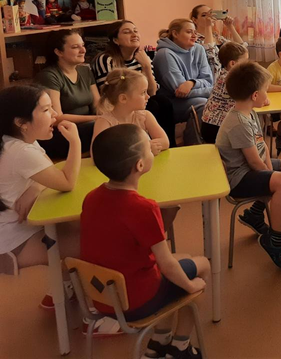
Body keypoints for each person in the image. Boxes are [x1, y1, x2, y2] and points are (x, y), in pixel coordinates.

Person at [82, 124, 209, 358]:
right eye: (148, 148)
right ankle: (180, 347)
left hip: (103, 297)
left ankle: (159, 342)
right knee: (201, 266)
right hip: (136, 300)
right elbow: (166, 265)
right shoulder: (143, 208)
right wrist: (191, 286)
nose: (152, 149)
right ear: (140, 165)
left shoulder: (91, 197)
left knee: (183, 260)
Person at [0, 86, 82, 306]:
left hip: (24, 226)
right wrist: (75, 141)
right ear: (21, 122)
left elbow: (48, 174)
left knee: (79, 225)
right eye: (46, 110)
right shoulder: (21, 151)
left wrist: (35, 187)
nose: (55, 115)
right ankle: (94, 311)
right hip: (13, 241)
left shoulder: (17, 141)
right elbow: (66, 182)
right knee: (95, 242)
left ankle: (61, 289)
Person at [215, 62, 281, 269]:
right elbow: (253, 161)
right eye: (265, 90)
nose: (267, 94)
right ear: (255, 95)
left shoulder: (249, 113)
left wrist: (271, 170)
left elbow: (262, 147)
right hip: (238, 178)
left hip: (250, 168)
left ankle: (255, 213)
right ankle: (276, 240)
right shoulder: (238, 122)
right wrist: (270, 174)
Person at [91, 20, 175, 146]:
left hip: (136, 99)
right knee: (154, 105)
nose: (134, 34)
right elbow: (110, 94)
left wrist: (146, 67)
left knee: (163, 101)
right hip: (117, 104)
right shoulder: (106, 59)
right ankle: (143, 144)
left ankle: (166, 144)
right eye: (127, 32)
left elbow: (152, 92)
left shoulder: (142, 58)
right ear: (115, 40)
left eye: (135, 31)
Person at [36, 30, 99, 159]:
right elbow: (57, 118)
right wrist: (97, 119)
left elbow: (98, 105)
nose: (83, 50)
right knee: (100, 127)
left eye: (83, 45)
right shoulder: (49, 76)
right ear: (58, 52)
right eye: (75, 47)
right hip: (61, 132)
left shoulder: (85, 71)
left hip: (88, 126)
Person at [92, 69, 170, 156]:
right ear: (123, 98)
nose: (148, 96)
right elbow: (96, 153)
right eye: (143, 93)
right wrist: (144, 149)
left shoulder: (145, 116)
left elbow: (165, 141)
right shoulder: (104, 122)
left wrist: (151, 147)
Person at [153, 19, 213, 122]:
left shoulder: (199, 49)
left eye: (195, 32)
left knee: (224, 103)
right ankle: (192, 133)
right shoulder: (165, 54)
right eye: (189, 32)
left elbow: (208, 80)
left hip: (197, 95)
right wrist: (211, 91)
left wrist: (192, 83)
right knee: (206, 104)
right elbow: (180, 91)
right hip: (173, 102)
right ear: (175, 34)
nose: (194, 36)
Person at [200, 42, 249, 144]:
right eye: (245, 61)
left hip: (214, 124)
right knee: (246, 137)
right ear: (233, 63)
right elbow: (247, 97)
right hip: (214, 127)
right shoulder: (229, 79)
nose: (247, 65)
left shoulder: (226, 75)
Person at [190, 4, 244, 80]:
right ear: (195, 20)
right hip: (212, 79)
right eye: (204, 15)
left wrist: (230, 26)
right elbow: (211, 58)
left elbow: (241, 49)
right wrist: (208, 26)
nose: (209, 18)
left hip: (227, 77)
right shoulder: (194, 39)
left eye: (211, 14)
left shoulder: (217, 36)